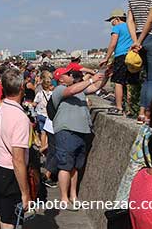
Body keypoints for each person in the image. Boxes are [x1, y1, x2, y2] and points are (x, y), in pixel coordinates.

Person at [51, 67, 105, 210]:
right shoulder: (59, 90)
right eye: (67, 74)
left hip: (81, 131)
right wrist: (91, 79)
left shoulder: (79, 88)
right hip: (66, 131)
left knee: (75, 166)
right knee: (65, 165)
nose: (71, 75)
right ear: (60, 79)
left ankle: (73, 196)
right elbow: (71, 91)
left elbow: (94, 87)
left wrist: (105, 76)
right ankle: (64, 198)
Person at [0, 68, 32, 228]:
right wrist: (25, 193)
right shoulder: (20, 118)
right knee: (8, 223)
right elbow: (18, 159)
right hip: (8, 174)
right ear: (21, 88)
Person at [99, 9, 139, 115]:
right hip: (132, 56)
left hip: (121, 56)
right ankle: (131, 108)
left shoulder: (117, 27)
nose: (111, 23)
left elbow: (113, 43)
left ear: (117, 19)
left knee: (118, 82)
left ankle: (119, 107)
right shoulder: (132, 26)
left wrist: (107, 58)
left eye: (111, 20)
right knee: (130, 82)